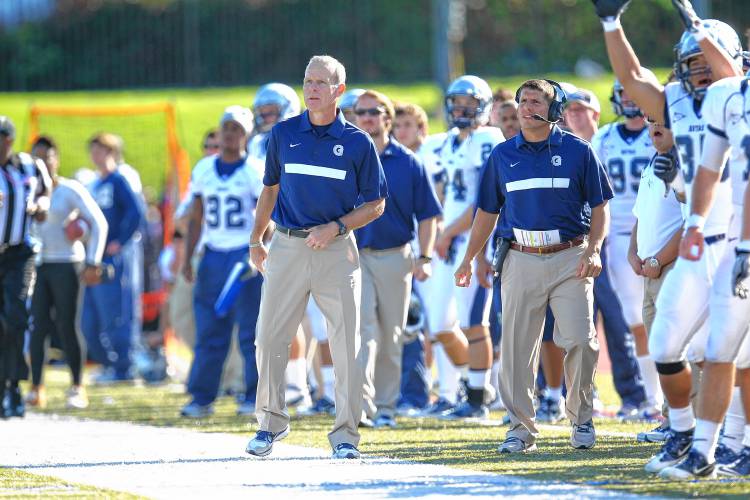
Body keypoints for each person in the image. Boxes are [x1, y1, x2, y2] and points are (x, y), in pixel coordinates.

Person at [591, 0, 743, 473]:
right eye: (691, 63)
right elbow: (634, 78)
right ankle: (683, 434)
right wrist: (611, 23)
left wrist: (695, 23)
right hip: (703, 240)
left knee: (730, 350)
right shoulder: (678, 101)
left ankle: (724, 445)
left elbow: (726, 72)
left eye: (706, 61)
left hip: (738, 237)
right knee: (666, 343)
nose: (700, 71)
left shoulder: (737, 95)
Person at [456, 79, 613, 453]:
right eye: (522, 101)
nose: (526, 108)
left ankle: (581, 417)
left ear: (555, 109)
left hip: (570, 255)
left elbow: (601, 207)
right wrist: (468, 258)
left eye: (535, 101)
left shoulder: (579, 151)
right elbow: (487, 212)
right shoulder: (502, 155)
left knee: (579, 340)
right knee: (515, 348)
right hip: (519, 258)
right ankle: (520, 429)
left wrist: (594, 249)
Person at [246, 55, 387, 460]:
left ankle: (345, 435)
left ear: (339, 91)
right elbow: (269, 190)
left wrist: (338, 227)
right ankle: (269, 424)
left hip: (337, 250)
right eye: (308, 80)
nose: (312, 88)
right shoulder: (283, 133)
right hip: (287, 247)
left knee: (346, 344)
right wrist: (257, 240)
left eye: (322, 82)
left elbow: (376, 203)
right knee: (269, 338)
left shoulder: (358, 141)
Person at [659, 72, 750, 479]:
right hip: (729, 240)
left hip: (734, 242)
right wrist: (694, 220)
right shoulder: (729, 103)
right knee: (723, 351)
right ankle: (707, 452)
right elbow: (709, 171)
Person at [353, 89, 441, 428]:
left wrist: (426, 256)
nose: (367, 118)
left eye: (373, 112)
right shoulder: (348, 158)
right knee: (362, 332)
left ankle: (387, 407)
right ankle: (361, 407)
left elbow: (429, 215)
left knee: (391, 336)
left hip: (396, 257)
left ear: (387, 118)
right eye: (361, 112)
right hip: (355, 257)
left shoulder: (409, 161)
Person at [428, 75, 504, 419]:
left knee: (475, 322)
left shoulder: (488, 138)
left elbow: (485, 200)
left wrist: (447, 233)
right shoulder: (448, 143)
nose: (461, 110)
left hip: (476, 241)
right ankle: (477, 385)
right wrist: (441, 230)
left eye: (469, 105)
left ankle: (476, 398)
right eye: (457, 104)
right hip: (449, 242)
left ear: (483, 107)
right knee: (441, 325)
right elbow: (447, 193)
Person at [180, 106, 264, 418]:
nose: (230, 134)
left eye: (237, 129)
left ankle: (253, 395)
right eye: (226, 128)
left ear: (247, 134)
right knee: (209, 330)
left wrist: (257, 249)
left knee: (249, 332)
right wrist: (188, 257)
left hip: (243, 256)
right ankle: (202, 397)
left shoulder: (254, 170)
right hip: (214, 254)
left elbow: (265, 215)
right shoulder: (203, 168)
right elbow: (197, 216)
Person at [592, 76, 659, 420]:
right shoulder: (603, 138)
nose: (631, 100)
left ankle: (667, 398)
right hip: (618, 233)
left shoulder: (660, 131)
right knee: (636, 317)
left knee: (665, 314)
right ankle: (652, 399)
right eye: (625, 94)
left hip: (660, 228)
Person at [27, 136, 107, 410]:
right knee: (37, 326)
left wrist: (93, 260)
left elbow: (98, 222)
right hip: (36, 264)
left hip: (67, 263)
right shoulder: (27, 189)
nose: (43, 163)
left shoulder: (69, 190)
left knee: (67, 325)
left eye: (47, 157)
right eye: (37, 158)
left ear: (56, 159)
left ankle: (77, 386)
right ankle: (36, 386)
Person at [628, 118, 681, 434]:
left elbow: (689, 223)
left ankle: (683, 422)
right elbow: (640, 215)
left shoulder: (684, 162)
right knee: (661, 348)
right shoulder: (653, 162)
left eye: (663, 122)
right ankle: (671, 417)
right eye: (651, 123)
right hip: (649, 269)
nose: (654, 128)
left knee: (676, 348)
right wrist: (632, 252)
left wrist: (659, 260)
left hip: (669, 267)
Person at [81, 133, 144, 384]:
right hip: (95, 257)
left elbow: (136, 213)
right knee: (91, 317)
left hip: (114, 259)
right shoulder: (95, 184)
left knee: (117, 312)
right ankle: (108, 363)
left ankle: (123, 367)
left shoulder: (119, 180)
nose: (96, 156)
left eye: (101, 150)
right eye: (93, 150)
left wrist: (121, 241)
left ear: (112, 152)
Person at [0, 116, 51, 418]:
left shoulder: (29, 166)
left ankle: (14, 385)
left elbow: (45, 191)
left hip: (20, 253)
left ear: (8, 140)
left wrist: (42, 206)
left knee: (17, 317)